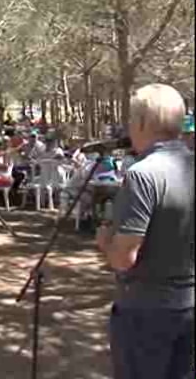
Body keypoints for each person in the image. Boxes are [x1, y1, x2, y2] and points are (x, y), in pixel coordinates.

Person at [96, 84, 194, 379]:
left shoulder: (143, 175)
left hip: (147, 312)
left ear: (140, 123)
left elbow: (123, 259)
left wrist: (105, 242)